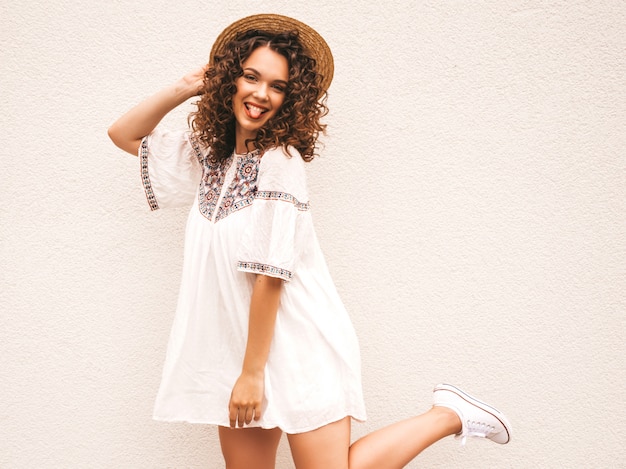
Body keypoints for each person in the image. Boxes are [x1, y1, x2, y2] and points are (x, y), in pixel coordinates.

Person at [108, 13, 512, 469]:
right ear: (229, 80)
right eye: (250, 77)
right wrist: (187, 85)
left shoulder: (281, 162)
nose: (260, 94)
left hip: (295, 346)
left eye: (277, 86)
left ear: (291, 100)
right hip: (241, 348)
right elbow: (123, 133)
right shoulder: (212, 158)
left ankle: (448, 414)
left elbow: (270, 275)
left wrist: (251, 375)